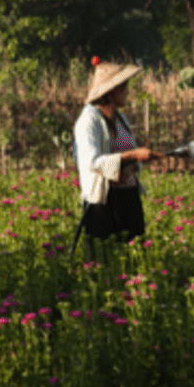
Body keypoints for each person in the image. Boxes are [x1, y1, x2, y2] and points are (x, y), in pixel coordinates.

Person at [73, 57, 159, 254]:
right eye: (124, 88)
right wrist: (131, 156)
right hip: (104, 203)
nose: (128, 92)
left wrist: (136, 162)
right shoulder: (89, 121)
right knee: (104, 259)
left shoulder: (120, 118)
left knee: (133, 256)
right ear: (111, 92)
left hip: (127, 197)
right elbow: (92, 162)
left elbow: (131, 152)